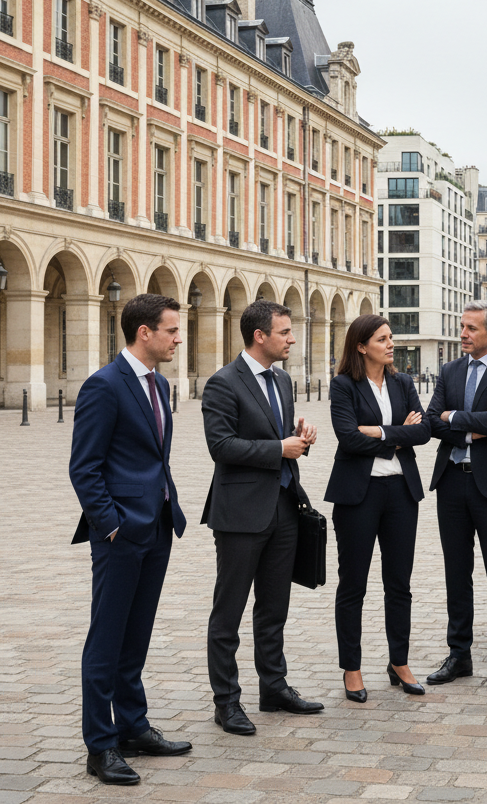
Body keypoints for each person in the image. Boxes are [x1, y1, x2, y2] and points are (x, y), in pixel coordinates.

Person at [69, 293, 190, 786]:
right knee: (107, 638)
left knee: (135, 636)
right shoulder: (104, 385)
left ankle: (133, 726)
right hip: (120, 533)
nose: (178, 338)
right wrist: (111, 524)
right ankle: (101, 744)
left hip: (158, 525)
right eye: (171, 330)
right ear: (145, 332)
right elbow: (84, 466)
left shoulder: (159, 384)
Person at [201, 300, 321, 736]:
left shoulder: (284, 381)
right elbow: (222, 447)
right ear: (260, 336)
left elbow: (280, 439)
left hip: (285, 508)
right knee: (228, 613)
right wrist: (279, 449)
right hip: (239, 514)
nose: (292, 338)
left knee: (274, 608)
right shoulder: (222, 384)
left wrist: (300, 439)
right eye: (285, 332)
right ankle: (227, 703)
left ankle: (273, 687)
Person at [326, 314, 431, 701]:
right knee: (353, 584)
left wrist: (380, 432)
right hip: (358, 494)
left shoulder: (403, 382)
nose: (391, 344)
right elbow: (348, 439)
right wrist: (395, 435)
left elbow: (423, 431)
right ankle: (351, 669)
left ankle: (398, 661)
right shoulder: (343, 386)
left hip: (401, 492)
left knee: (399, 583)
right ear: (361, 346)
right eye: (383, 339)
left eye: (391, 337)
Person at [425, 302, 487, 692]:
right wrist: (470, 425)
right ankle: (459, 655)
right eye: (462, 326)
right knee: (456, 572)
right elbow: (432, 421)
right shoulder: (450, 370)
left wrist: (456, 418)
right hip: (451, 481)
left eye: (470, 328)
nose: (463, 333)